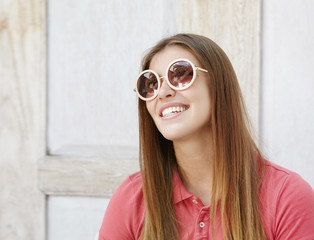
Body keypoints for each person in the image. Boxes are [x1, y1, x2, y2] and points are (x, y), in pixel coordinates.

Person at [99, 33, 314, 240]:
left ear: (218, 86)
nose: (163, 92)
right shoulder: (132, 198)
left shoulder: (286, 196)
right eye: (151, 83)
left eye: (181, 74)